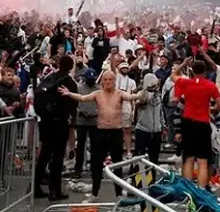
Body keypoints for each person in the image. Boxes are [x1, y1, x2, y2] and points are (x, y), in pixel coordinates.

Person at [59, 70, 142, 198]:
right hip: (101, 132)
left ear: (114, 81)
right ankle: (94, 193)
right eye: (105, 79)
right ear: (102, 81)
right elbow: (82, 98)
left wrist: (143, 93)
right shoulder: (97, 94)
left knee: (117, 164)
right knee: (96, 164)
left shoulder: (119, 94)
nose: (108, 82)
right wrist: (69, 93)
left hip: (115, 132)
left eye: (110, 80)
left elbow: (132, 97)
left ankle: (118, 194)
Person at [171, 59, 220, 187]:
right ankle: (201, 190)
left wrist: (183, 63)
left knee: (188, 158)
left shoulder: (186, 83)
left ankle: (188, 190)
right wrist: (212, 110)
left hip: (188, 123)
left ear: (192, 71)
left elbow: (173, 75)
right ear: (205, 71)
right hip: (203, 124)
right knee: (202, 161)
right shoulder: (211, 85)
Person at [35, 55, 78, 201]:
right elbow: (73, 103)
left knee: (44, 155)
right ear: (71, 67)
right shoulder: (69, 82)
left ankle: (35, 187)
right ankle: (55, 190)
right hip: (60, 123)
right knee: (58, 157)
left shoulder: (49, 78)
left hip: (46, 122)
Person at [73, 68, 99, 179]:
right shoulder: (79, 88)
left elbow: (102, 104)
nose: (91, 81)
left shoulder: (99, 89)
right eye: (89, 79)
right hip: (82, 121)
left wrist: (96, 112)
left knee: (95, 147)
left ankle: (95, 169)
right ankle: (77, 169)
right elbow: (75, 103)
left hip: (94, 121)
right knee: (80, 146)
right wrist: (81, 112)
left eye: (92, 79)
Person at [135, 73, 163, 164]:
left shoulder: (158, 95)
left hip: (156, 131)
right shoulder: (141, 93)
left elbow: (160, 111)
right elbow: (142, 100)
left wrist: (162, 125)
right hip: (143, 130)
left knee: (154, 158)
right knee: (140, 157)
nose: (156, 86)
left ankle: (153, 176)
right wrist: (149, 89)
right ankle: (136, 177)